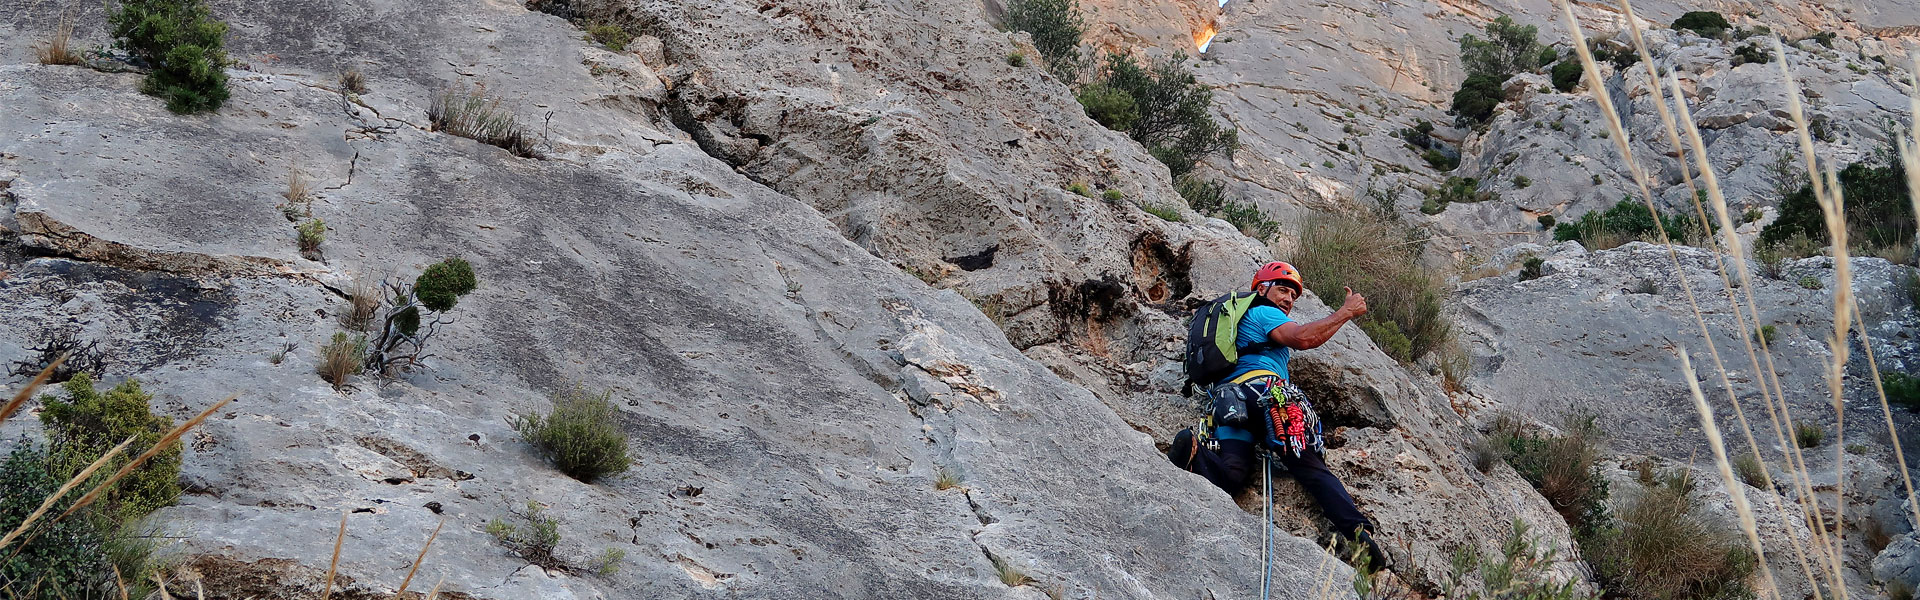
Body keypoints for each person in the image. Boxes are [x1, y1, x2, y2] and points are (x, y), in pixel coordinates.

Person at [1169, 261, 1389, 569]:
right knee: (1310, 467)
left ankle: (1194, 452)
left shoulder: (1239, 323)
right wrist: (1346, 312)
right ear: (1262, 289)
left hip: (1230, 402)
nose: (1288, 299)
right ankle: (1358, 535)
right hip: (1268, 395)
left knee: (1232, 473)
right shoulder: (1263, 312)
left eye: (1293, 296)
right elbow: (1302, 338)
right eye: (1282, 290)